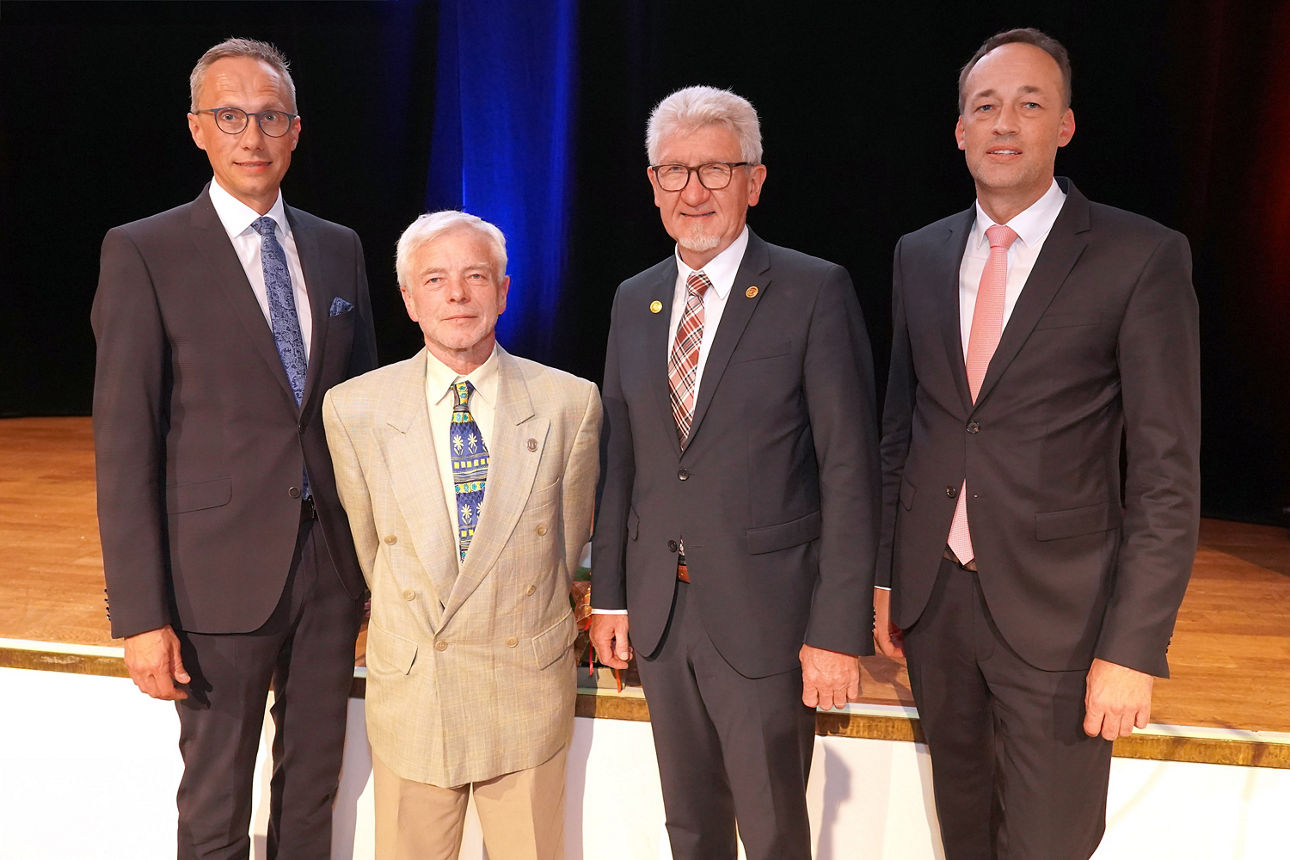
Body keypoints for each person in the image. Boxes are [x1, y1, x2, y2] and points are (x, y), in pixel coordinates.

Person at [875, 27, 1201, 859]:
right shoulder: (919, 255)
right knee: (966, 838)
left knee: (1050, 844)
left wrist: (1133, 648)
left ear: (1065, 125)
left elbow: (1166, 476)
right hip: (937, 608)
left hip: (1065, 621)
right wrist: (885, 577)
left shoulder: (1140, 255)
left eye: (1030, 103)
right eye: (985, 106)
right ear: (959, 129)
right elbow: (900, 434)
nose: (1005, 123)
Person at [91, 37, 377, 858]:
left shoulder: (337, 246)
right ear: (197, 129)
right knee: (216, 800)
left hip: (329, 571)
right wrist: (141, 616)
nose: (252, 135)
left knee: (312, 789)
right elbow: (124, 442)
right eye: (231, 116)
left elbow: (361, 415)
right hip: (215, 578)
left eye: (270, 117)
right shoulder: (144, 252)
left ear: (295, 131)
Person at [589, 85, 880, 860]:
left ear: (754, 180)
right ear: (652, 183)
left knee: (775, 832)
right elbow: (622, 461)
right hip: (659, 615)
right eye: (674, 171)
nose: (693, 191)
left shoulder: (814, 291)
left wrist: (837, 629)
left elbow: (850, 469)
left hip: (769, 619)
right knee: (689, 827)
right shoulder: (632, 300)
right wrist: (611, 597)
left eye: (715, 170)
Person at [323, 210, 601, 860]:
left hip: (524, 686)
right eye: (437, 279)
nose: (457, 295)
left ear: (504, 291)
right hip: (416, 689)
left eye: (476, 276)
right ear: (409, 299)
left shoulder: (570, 403)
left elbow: (566, 542)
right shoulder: (355, 408)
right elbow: (372, 549)